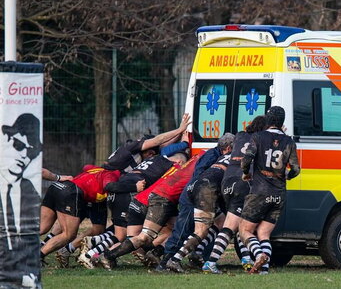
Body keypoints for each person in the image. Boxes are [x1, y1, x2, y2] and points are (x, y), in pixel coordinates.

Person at [99, 152, 194, 269]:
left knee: (132, 240)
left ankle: (99, 255)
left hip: (138, 199)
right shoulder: (184, 170)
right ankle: (154, 253)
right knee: (177, 230)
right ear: (180, 162)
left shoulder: (169, 167)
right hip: (157, 200)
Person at [156, 132, 235, 271]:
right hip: (194, 195)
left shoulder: (216, 155)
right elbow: (199, 174)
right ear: (228, 148)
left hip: (204, 195)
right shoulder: (212, 155)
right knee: (183, 229)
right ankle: (166, 262)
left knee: (216, 223)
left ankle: (199, 257)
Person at [238, 106, 300, 274]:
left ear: (268, 120)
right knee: (264, 234)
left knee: (245, 230)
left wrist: (245, 173)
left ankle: (259, 256)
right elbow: (296, 169)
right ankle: (263, 270)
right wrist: (286, 176)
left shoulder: (258, 137)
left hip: (259, 191)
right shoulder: (289, 141)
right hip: (279, 194)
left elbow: (246, 160)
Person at [202, 115, 267, 274]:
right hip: (242, 182)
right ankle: (211, 263)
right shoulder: (260, 140)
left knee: (239, 225)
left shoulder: (239, 135)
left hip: (227, 181)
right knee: (232, 227)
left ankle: (249, 258)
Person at [0, 113, 42, 285]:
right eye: (19, 145)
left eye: (31, 150)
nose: (24, 155)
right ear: (5, 140)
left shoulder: (28, 190)